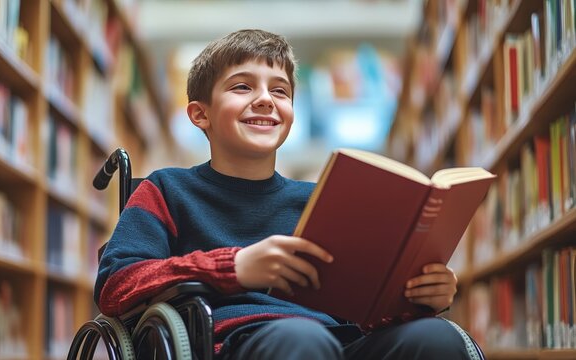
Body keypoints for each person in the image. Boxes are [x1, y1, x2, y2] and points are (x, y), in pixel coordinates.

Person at [95, 29, 483, 360]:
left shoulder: (324, 200)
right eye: (243, 86)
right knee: (301, 339)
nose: (266, 99)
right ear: (200, 114)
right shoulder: (166, 189)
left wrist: (420, 296)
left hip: (342, 340)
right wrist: (235, 268)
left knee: (438, 337)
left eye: (279, 91)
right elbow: (116, 284)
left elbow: (361, 303)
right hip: (236, 342)